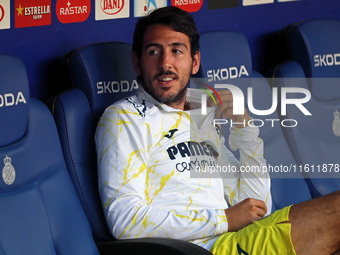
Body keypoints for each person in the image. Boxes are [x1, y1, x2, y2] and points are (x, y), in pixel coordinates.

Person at [95, 6, 340, 255]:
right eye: (154, 51)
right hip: (200, 250)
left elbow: (256, 205)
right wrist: (223, 219)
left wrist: (245, 130)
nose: (165, 63)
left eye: (177, 51)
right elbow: (124, 221)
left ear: (195, 62)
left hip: (237, 240)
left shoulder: (199, 110)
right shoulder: (123, 118)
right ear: (137, 62)